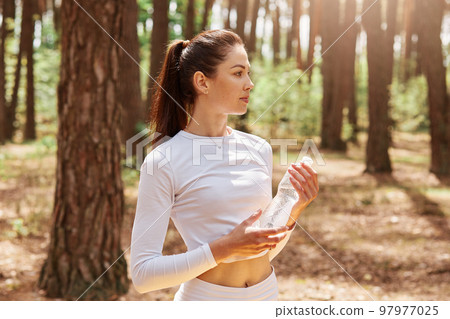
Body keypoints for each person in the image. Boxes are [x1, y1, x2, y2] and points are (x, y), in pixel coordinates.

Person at [130, 29, 319, 301]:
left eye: (248, 73)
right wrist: (223, 249)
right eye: (238, 73)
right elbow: (143, 275)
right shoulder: (163, 161)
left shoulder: (259, 149)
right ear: (202, 82)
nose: (249, 83)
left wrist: (293, 209)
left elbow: (262, 249)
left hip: (265, 296)